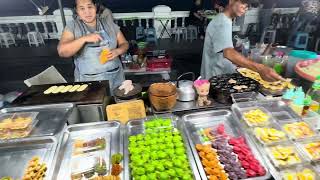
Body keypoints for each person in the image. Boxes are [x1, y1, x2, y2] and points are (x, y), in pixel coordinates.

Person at [200, 0, 283, 82]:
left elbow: (223, 51)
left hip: (220, 73)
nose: (245, 8)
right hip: (214, 78)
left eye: (247, 6)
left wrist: (240, 60)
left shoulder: (225, 20)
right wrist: (260, 68)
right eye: (243, 3)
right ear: (231, 1)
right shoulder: (222, 22)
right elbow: (228, 53)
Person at [57, 0, 129, 91]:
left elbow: (124, 44)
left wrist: (118, 51)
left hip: (116, 79)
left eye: (90, 7)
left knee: (117, 104)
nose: (87, 12)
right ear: (77, 11)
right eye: (82, 8)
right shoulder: (73, 27)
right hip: (90, 83)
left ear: (95, 7)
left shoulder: (109, 24)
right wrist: (84, 39)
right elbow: (62, 52)